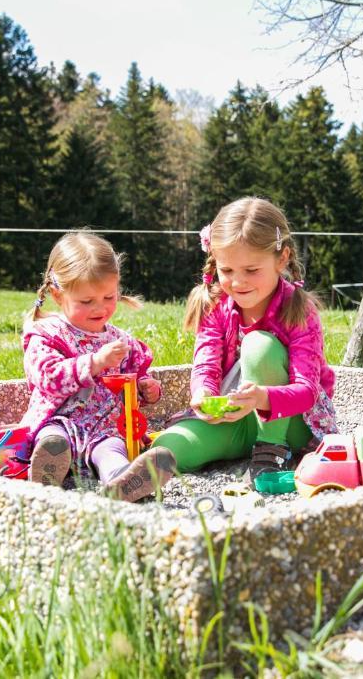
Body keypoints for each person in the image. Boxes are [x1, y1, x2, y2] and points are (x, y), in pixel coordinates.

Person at [150, 197, 338, 480]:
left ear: (282, 258)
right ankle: (135, 481)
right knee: (167, 447)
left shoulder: (297, 310)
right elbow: (206, 365)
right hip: (237, 420)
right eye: (227, 271)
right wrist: (203, 396)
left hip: (292, 424)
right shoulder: (216, 306)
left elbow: (307, 391)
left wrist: (262, 398)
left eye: (251, 270)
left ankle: (271, 448)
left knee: (258, 344)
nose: (238, 282)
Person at [19, 231, 175, 502]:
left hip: (104, 426)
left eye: (109, 297)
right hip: (59, 419)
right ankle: (47, 471)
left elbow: (133, 378)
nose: (99, 308)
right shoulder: (46, 334)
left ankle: (121, 479)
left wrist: (146, 389)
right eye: (86, 301)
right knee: (53, 439)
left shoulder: (119, 339)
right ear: (58, 295)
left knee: (112, 447)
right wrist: (95, 362)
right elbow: (49, 378)